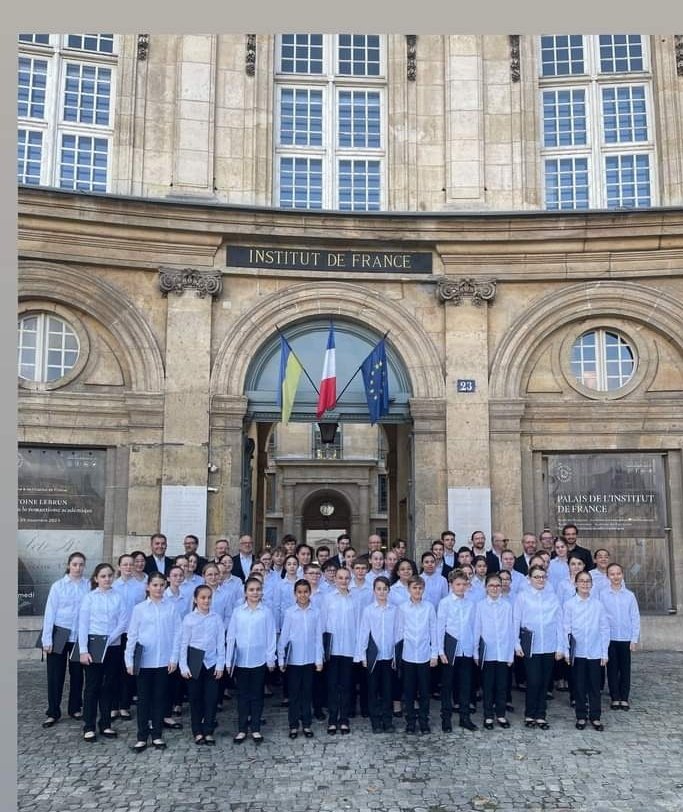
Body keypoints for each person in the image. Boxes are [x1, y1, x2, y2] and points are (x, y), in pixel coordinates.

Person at [125, 572, 181, 752]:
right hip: (144, 662)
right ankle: (142, 736)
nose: (158, 589)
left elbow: (177, 634)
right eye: (155, 585)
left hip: (163, 661)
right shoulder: (139, 609)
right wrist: (129, 659)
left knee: (160, 699)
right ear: (148, 587)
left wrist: (174, 657)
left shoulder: (171, 608)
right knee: (144, 700)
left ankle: (157, 734)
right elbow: (132, 635)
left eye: (161, 585)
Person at [78, 562, 128, 742]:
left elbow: (123, 622)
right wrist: (83, 650)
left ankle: (105, 723)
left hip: (113, 646)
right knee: (92, 686)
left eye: (109, 576)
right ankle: (89, 726)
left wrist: (110, 639)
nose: (107, 579)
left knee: (109, 686)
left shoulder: (119, 597)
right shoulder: (89, 598)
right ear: (96, 579)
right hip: (93, 645)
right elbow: (83, 624)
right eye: (103, 576)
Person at [40, 551, 90, 728]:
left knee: (77, 675)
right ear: (69, 565)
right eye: (75, 564)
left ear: (84, 566)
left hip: (79, 635)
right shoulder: (58, 586)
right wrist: (47, 639)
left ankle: (75, 708)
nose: (78, 568)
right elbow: (50, 613)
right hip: (59, 633)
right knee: (56, 675)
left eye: (81, 564)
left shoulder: (88, 585)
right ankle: (53, 712)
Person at [226, 576, 277, 744]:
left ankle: (255, 728)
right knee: (242, 696)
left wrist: (270, 658)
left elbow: (270, 636)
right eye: (251, 590)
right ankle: (242, 729)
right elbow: (232, 636)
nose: (255, 593)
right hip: (240, 661)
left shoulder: (266, 612)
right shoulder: (238, 612)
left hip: (259, 660)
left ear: (261, 592)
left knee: (256, 695)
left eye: (258, 589)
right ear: (245, 593)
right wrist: (228, 661)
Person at [513, 565, 564, 730]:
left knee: (544, 681)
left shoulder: (552, 598)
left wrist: (560, 646)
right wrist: (516, 643)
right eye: (537, 577)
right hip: (531, 646)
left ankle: (541, 715)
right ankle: (530, 713)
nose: (540, 580)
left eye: (543, 577)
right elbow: (516, 621)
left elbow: (560, 623)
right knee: (533, 680)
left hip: (549, 645)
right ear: (529, 579)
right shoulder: (522, 597)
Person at [179, 584, 225, 745]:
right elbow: (183, 643)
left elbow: (221, 642)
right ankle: (197, 731)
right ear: (195, 599)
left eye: (209, 597)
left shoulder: (216, 618)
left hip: (212, 663)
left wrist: (220, 665)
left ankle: (208, 730)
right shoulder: (189, 619)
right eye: (203, 598)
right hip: (195, 663)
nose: (206, 601)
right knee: (195, 698)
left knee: (211, 698)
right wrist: (183, 666)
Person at [563, 571, 610, 731]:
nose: (585, 584)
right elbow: (566, 628)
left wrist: (604, 652)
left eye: (587, 581)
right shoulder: (569, 604)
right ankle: (581, 716)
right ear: (576, 584)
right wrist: (567, 651)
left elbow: (604, 628)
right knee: (579, 686)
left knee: (595, 686)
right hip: (578, 653)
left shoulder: (598, 605)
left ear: (591, 584)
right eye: (581, 581)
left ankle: (595, 717)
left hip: (595, 652)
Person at [278, 579, 323, 738]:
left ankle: (307, 724)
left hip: (309, 659)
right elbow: (284, 638)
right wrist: (282, 659)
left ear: (310, 593)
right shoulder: (290, 612)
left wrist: (319, 659)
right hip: (293, 661)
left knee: (307, 693)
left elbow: (318, 638)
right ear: (295, 594)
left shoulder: (316, 612)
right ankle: (293, 724)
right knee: (294, 693)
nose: (303, 595)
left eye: (305, 592)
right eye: (299, 592)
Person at [355, 576, 398, 733]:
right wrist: (362, 655)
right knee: (372, 689)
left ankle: (387, 719)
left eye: (384, 589)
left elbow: (397, 633)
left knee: (387, 690)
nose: (381, 592)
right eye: (378, 589)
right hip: (373, 657)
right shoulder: (368, 610)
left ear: (389, 591)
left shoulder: (394, 610)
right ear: (374, 591)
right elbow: (363, 633)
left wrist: (395, 655)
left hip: (388, 657)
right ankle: (375, 721)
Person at [396, 575, 438, 734]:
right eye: (414, 587)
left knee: (424, 690)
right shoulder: (402, 608)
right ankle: (411, 721)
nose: (417, 590)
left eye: (420, 588)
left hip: (424, 655)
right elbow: (399, 631)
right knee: (409, 690)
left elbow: (433, 631)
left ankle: (423, 720)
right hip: (408, 655)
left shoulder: (429, 607)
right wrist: (398, 654)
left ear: (423, 589)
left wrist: (434, 654)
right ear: (409, 589)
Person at [437, 569, 477, 732]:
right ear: (451, 585)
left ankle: (464, 717)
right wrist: (440, 650)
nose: (461, 587)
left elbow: (474, 627)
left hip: (466, 649)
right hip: (450, 651)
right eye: (458, 584)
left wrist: (474, 650)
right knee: (447, 685)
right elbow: (440, 628)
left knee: (465, 685)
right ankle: (446, 718)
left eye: (463, 584)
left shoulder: (471, 603)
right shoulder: (445, 603)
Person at [473, 573, 515, 730]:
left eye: (498, 585)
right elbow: (477, 629)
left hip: (503, 652)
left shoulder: (507, 606)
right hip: (487, 653)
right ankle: (488, 715)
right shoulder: (480, 606)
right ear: (486, 588)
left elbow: (511, 631)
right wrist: (476, 652)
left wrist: (511, 653)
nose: (495, 588)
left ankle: (501, 714)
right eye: (491, 585)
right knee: (488, 685)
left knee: (502, 686)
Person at [322, 567, 359, 735]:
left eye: (346, 578)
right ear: (335, 579)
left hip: (349, 649)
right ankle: (332, 719)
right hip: (333, 649)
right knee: (331, 686)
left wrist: (359, 650)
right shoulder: (328, 598)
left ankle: (344, 719)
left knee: (346, 685)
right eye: (340, 578)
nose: (343, 581)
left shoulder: (355, 600)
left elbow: (359, 627)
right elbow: (322, 625)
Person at [111, 553, 147, 720]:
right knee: (113, 670)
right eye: (124, 564)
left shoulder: (140, 587)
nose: (127, 567)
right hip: (115, 633)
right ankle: (113, 705)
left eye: (130, 565)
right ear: (119, 567)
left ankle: (124, 705)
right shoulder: (113, 586)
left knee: (128, 670)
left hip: (133, 633)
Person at [601, 563, 640, 711]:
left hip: (625, 638)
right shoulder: (603, 595)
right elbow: (601, 617)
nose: (615, 577)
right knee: (612, 669)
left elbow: (635, 617)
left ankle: (624, 697)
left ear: (622, 575)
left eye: (618, 574)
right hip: (610, 638)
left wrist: (634, 639)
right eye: (612, 574)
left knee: (625, 669)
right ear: (608, 576)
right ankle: (614, 697)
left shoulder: (629, 596)